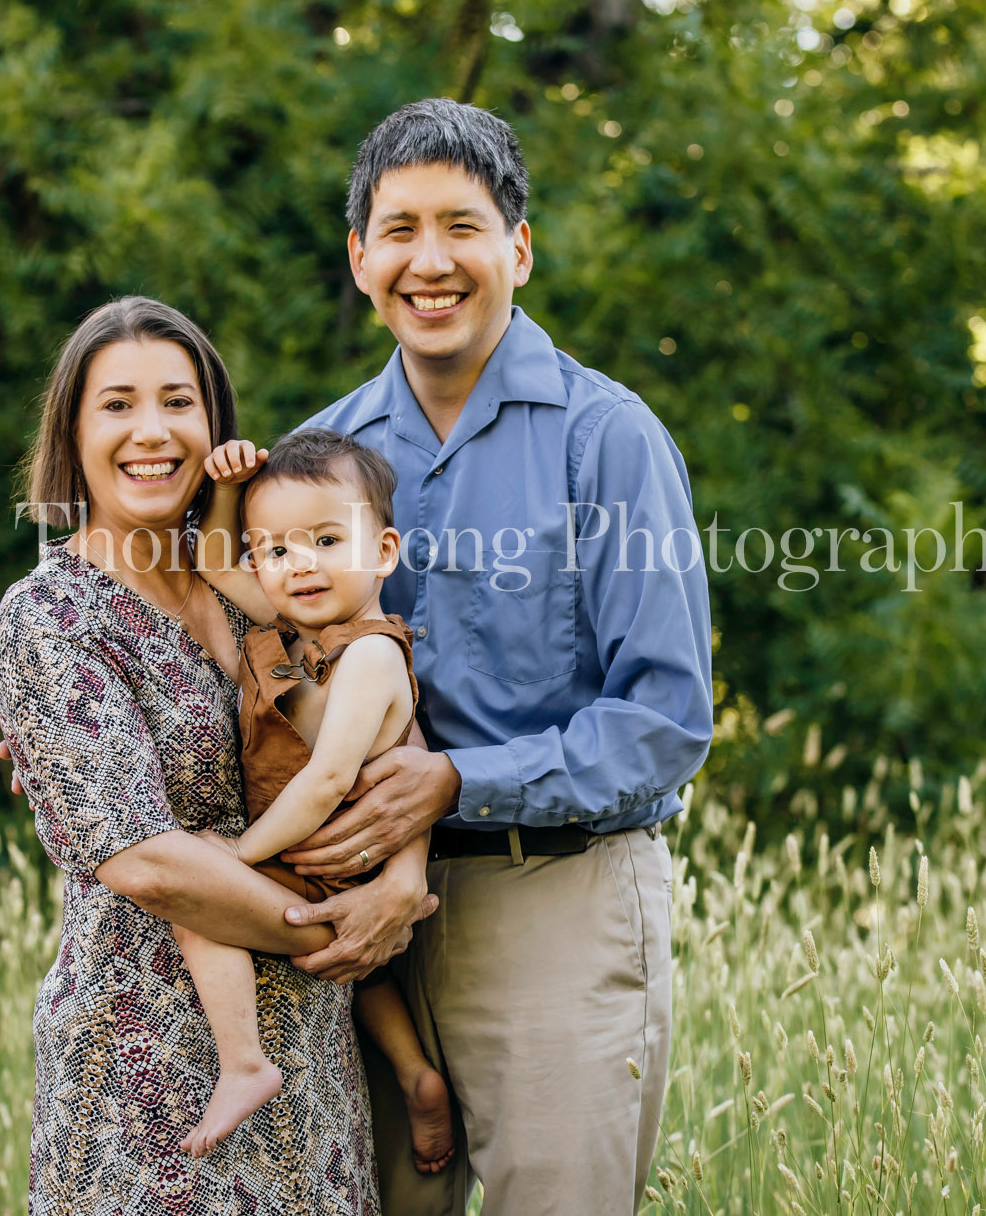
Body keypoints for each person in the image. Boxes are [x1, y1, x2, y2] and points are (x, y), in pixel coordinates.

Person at [279, 97, 715, 1215]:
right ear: (358, 258)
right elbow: (234, 659)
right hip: (355, 933)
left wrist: (457, 781)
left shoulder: (605, 437)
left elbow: (663, 721)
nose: (430, 261)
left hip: (552, 896)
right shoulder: (315, 465)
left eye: (461, 226)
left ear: (517, 247)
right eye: (399, 229)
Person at [0, 296, 432, 1215]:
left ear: (214, 426)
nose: (150, 430)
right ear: (71, 427)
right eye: (116, 404)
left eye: (177, 401)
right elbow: (144, 858)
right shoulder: (48, 617)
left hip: (310, 1056)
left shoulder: (260, 581)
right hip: (149, 1067)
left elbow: (379, 726)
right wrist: (347, 932)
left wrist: (401, 877)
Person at [167, 427, 454, 1168]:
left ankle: (244, 1062)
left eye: (327, 540)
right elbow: (211, 557)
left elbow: (328, 780)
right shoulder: (286, 628)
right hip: (321, 858)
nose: (301, 565)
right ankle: (417, 1075)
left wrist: (240, 855)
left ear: (383, 551)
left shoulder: (369, 655)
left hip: (324, 850)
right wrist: (227, 487)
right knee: (369, 980)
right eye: (279, 550)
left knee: (196, 896)